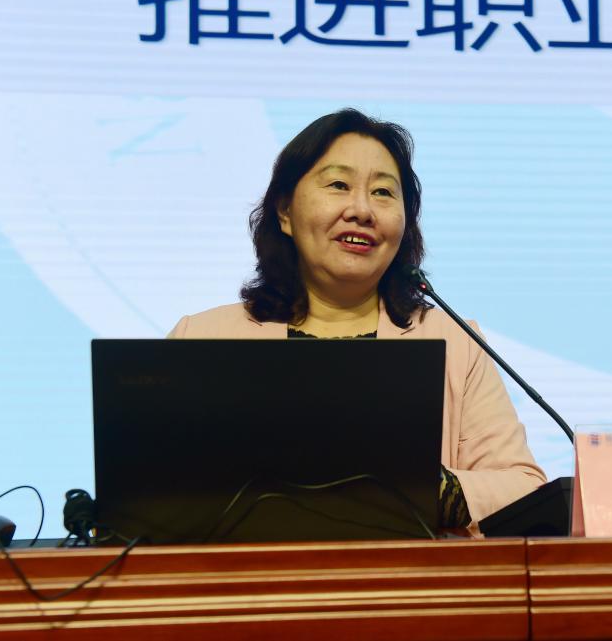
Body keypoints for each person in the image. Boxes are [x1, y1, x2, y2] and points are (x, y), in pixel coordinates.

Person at [168, 108, 546, 532]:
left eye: (383, 192)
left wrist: (430, 491)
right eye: (338, 185)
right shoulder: (200, 338)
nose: (362, 210)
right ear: (285, 212)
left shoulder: (454, 342)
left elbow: (524, 488)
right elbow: (142, 495)